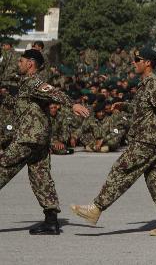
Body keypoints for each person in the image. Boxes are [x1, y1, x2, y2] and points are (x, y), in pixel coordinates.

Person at [71, 47, 156, 236]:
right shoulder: (145, 84)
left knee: (121, 170)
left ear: (147, 62)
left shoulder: (154, 83)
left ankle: (96, 209)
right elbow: (146, 109)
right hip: (152, 140)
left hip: (147, 140)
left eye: (137, 59)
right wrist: (125, 106)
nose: (134, 62)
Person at [0, 49, 90, 234]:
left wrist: (72, 104)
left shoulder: (34, 82)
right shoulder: (26, 84)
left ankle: (51, 220)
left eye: (21, 61)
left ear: (30, 63)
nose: (19, 64)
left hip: (29, 138)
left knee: (3, 168)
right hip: (38, 139)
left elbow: (53, 93)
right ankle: (51, 221)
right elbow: (21, 105)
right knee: (41, 177)